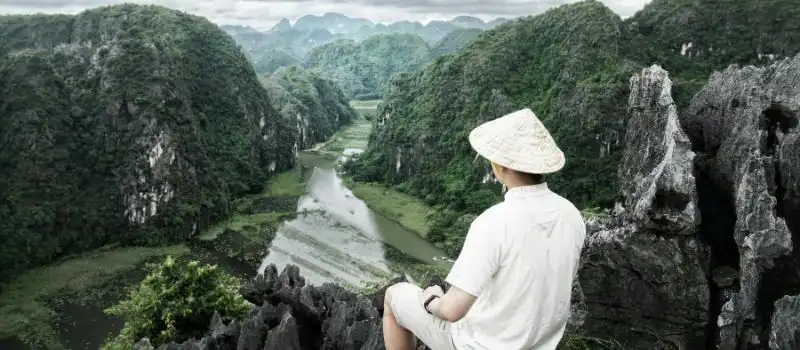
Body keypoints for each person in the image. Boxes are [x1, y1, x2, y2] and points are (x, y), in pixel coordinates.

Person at [382, 108, 587, 350]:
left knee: (393, 296)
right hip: (539, 343)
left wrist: (431, 299)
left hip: (478, 345)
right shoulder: (571, 215)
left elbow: (451, 311)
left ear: (501, 166)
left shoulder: (494, 222)